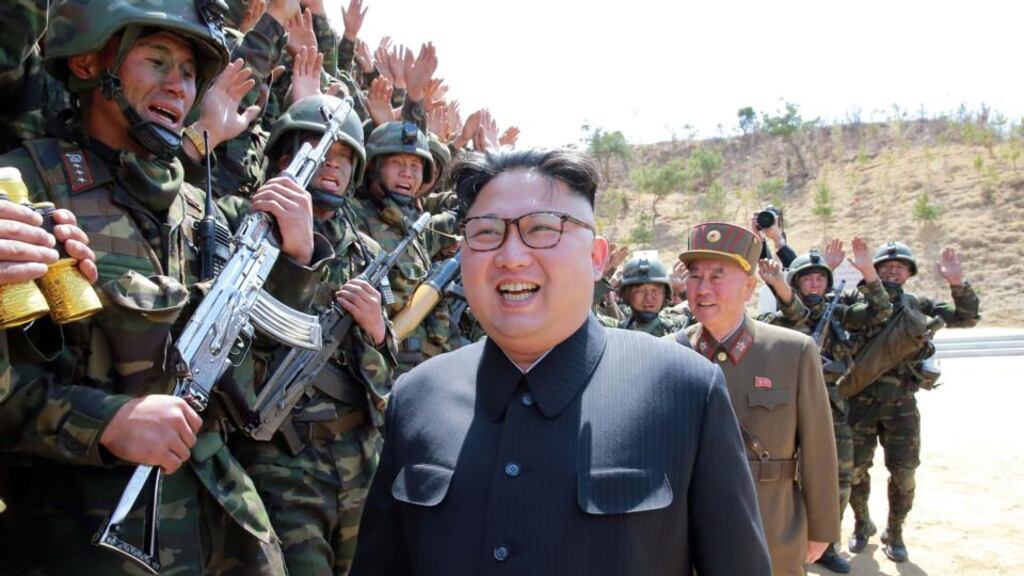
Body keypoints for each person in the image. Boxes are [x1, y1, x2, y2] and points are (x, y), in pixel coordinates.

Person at [0, 0, 333, 572]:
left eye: (188, 73)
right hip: (85, 540)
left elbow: (253, 388)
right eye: (156, 61)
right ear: (88, 64)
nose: (178, 86)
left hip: (224, 529)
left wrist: (295, 264)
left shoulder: (200, 209)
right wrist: (105, 422)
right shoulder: (25, 185)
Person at [350, 149, 771, 575]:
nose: (511, 256)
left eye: (542, 229)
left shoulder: (684, 391)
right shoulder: (418, 396)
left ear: (596, 257)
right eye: (486, 232)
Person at [231, 93, 395, 575]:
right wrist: (296, 259)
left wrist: (378, 332)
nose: (334, 165)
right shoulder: (246, 222)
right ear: (285, 157)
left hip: (360, 453)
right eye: (323, 149)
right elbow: (231, 342)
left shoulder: (364, 249)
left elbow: (386, 365)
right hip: (285, 458)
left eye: (346, 157)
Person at [671, 222, 840, 576]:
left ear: (749, 287)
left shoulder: (792, 351)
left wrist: (822, 526)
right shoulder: (667, 353)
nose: (703, 288)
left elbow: (818, 446)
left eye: (717, 276)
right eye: (695, 275)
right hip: (685, 535)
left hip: (771, 529)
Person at [757, 238, 893, 573]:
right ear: (796, 283)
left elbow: (881, 312)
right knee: (785, 480)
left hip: (833, 410)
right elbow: (796, 317)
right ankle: (788, 541)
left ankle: (826, 544)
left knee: (841, 477)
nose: (815, 284)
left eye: (821, 278)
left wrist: (869, 273)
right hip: (787, 414)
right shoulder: (776, 319)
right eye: (808, 278)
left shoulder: (840, 314)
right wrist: (780, 287)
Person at [845, 242, 979, 563]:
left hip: (901, 406)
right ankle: (862, 522)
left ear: (909, 273)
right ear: (875, 269)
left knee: (904, 473)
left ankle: (895, 531)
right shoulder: (853, 301)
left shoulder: (918, 305)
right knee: (854, 471)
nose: (894, 269)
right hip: (859, 403)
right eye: (887, 265)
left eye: (901, 266)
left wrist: (957, 282)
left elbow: (966, 317)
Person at [349, 121, 457, 375]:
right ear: (374, 167)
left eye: (415, 166)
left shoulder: (415, 224)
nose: (407, 173)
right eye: (396, 163)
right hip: (378, 367)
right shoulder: (353, 216)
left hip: (425, 365)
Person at [616, 252, 688, 336]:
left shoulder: (678, 329)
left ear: (665, 294)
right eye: (640, 291)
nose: (648, 298)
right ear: (626, 294)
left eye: (655, 291)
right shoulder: (616, 332)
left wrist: (682, 292)